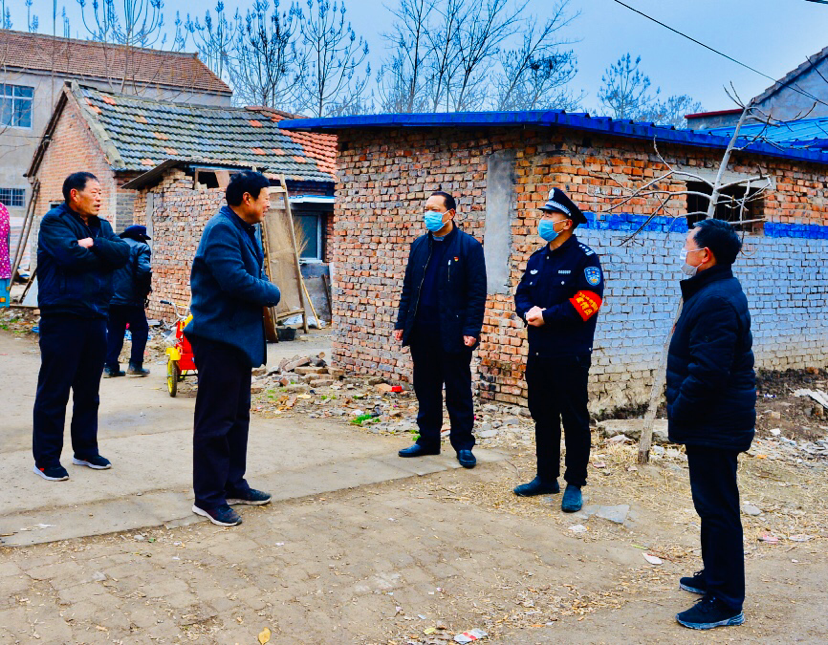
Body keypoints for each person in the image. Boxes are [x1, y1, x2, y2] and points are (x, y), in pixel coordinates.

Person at [668, 219, 755, 630]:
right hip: (713, 421)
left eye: (688, 243)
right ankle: (714, 575)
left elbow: (708, 373)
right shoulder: (713, 289)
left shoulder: (717, 299)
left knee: (718, 509)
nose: (684, 249)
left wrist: (679, 412)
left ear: (706, 255)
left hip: (714, 422)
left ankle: (726, 600)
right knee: (711, 505)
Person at [184, 171, 281, 527]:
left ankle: (232, 483)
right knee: (216, 420)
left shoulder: (245, 229)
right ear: (246, 199)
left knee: (237, 416)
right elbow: (235, 281)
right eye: (265, 197)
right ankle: (208, 498)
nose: (268, 204)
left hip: (238, 338)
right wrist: (273, 292)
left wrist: (264, 286)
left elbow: (253, 274)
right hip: (218, 338)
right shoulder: (222, 230)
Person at [32, 172, 130, 481]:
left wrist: (94, 244)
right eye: (95, 192)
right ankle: (46, 459)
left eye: (101, 192)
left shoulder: (101, 226)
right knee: (55, 390)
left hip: (96, 315)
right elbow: (70, 257)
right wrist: (101, 254)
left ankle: (85, 450)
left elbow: (123, 254)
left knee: (89, 390)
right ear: (75, 194)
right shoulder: (54, 222)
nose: (100, 197)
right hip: (62, 315)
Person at [513, 188, 603, 513]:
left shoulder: (584, 258)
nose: (543, 219)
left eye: (549, 215)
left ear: (567, 223)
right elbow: (522, 294)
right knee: (544, 416)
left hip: (570, 354)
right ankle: (546, 476)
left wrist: (547, 316)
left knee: (574, 419)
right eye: (544, 214)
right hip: (539, 353)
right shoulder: (538, 258)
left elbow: (589, 302)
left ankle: (575, 483)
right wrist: (527, 311)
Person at [394, 191, 486, 469]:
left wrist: (471, 329)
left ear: (451, 214)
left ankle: (463, 444)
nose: (429, 214)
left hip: (453, 332)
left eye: (435, 209)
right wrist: (402, 322)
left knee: (458, 390)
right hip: (422, 330)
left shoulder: (468, 247)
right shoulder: (419, 245)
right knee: (426, 388)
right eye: (426, 209)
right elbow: (409, 288)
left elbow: (476, 293)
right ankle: (428, 440)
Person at [105, 225, 152, 377]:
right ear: (140, 236)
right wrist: (144, 290)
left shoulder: (113, 246)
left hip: (111, 298)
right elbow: (144, 270)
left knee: (114, 331)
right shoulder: (141, 247)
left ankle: (110, 367)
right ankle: (135, 366)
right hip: (132, 298)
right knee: (140, 330)